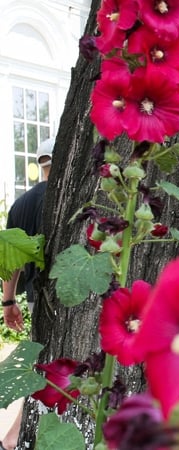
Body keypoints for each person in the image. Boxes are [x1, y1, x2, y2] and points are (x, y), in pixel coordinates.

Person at [1, 137, 54, 449]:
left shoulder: (20, 205)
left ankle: (12, 438)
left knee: (43, 361)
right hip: (64, 299)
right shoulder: (66, 198)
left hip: (36, 298)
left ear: (40, 164)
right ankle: (12, 438)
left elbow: (11, 262)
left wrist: (8, 302)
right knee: (46, 366)